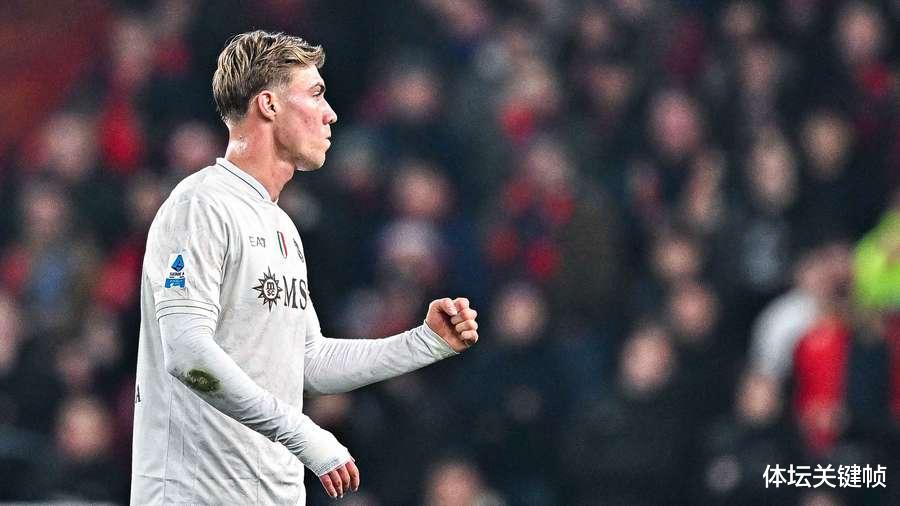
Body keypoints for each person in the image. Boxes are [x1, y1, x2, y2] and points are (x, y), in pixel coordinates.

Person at [130, 30, 480, 505]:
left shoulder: (282, 228)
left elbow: (306, 361)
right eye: (315, 94)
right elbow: (187, 353)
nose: (330, 113)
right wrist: (301, 432)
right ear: (269, 105)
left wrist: (423, 343)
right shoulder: (200, 205)